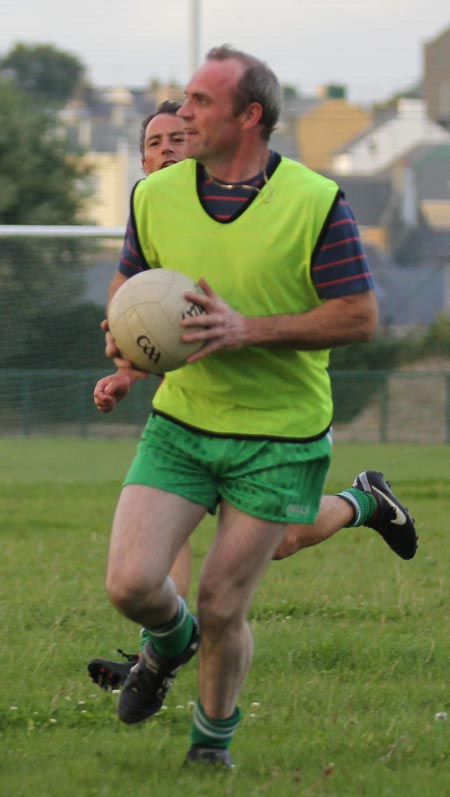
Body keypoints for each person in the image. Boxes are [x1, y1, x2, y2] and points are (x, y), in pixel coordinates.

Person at [91, 49, 417, 767]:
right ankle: (168, 645)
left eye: (200, 103)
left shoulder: (315, 201)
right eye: (183, 101)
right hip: (182, 424)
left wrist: (249, 330)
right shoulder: (156, 196)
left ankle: (210, 748)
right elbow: (133, 295)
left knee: (220, 602)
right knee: (131, 583)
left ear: (250, 117)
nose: (181, 116)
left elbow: (360, 317)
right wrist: (125, 360)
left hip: (279, 436)